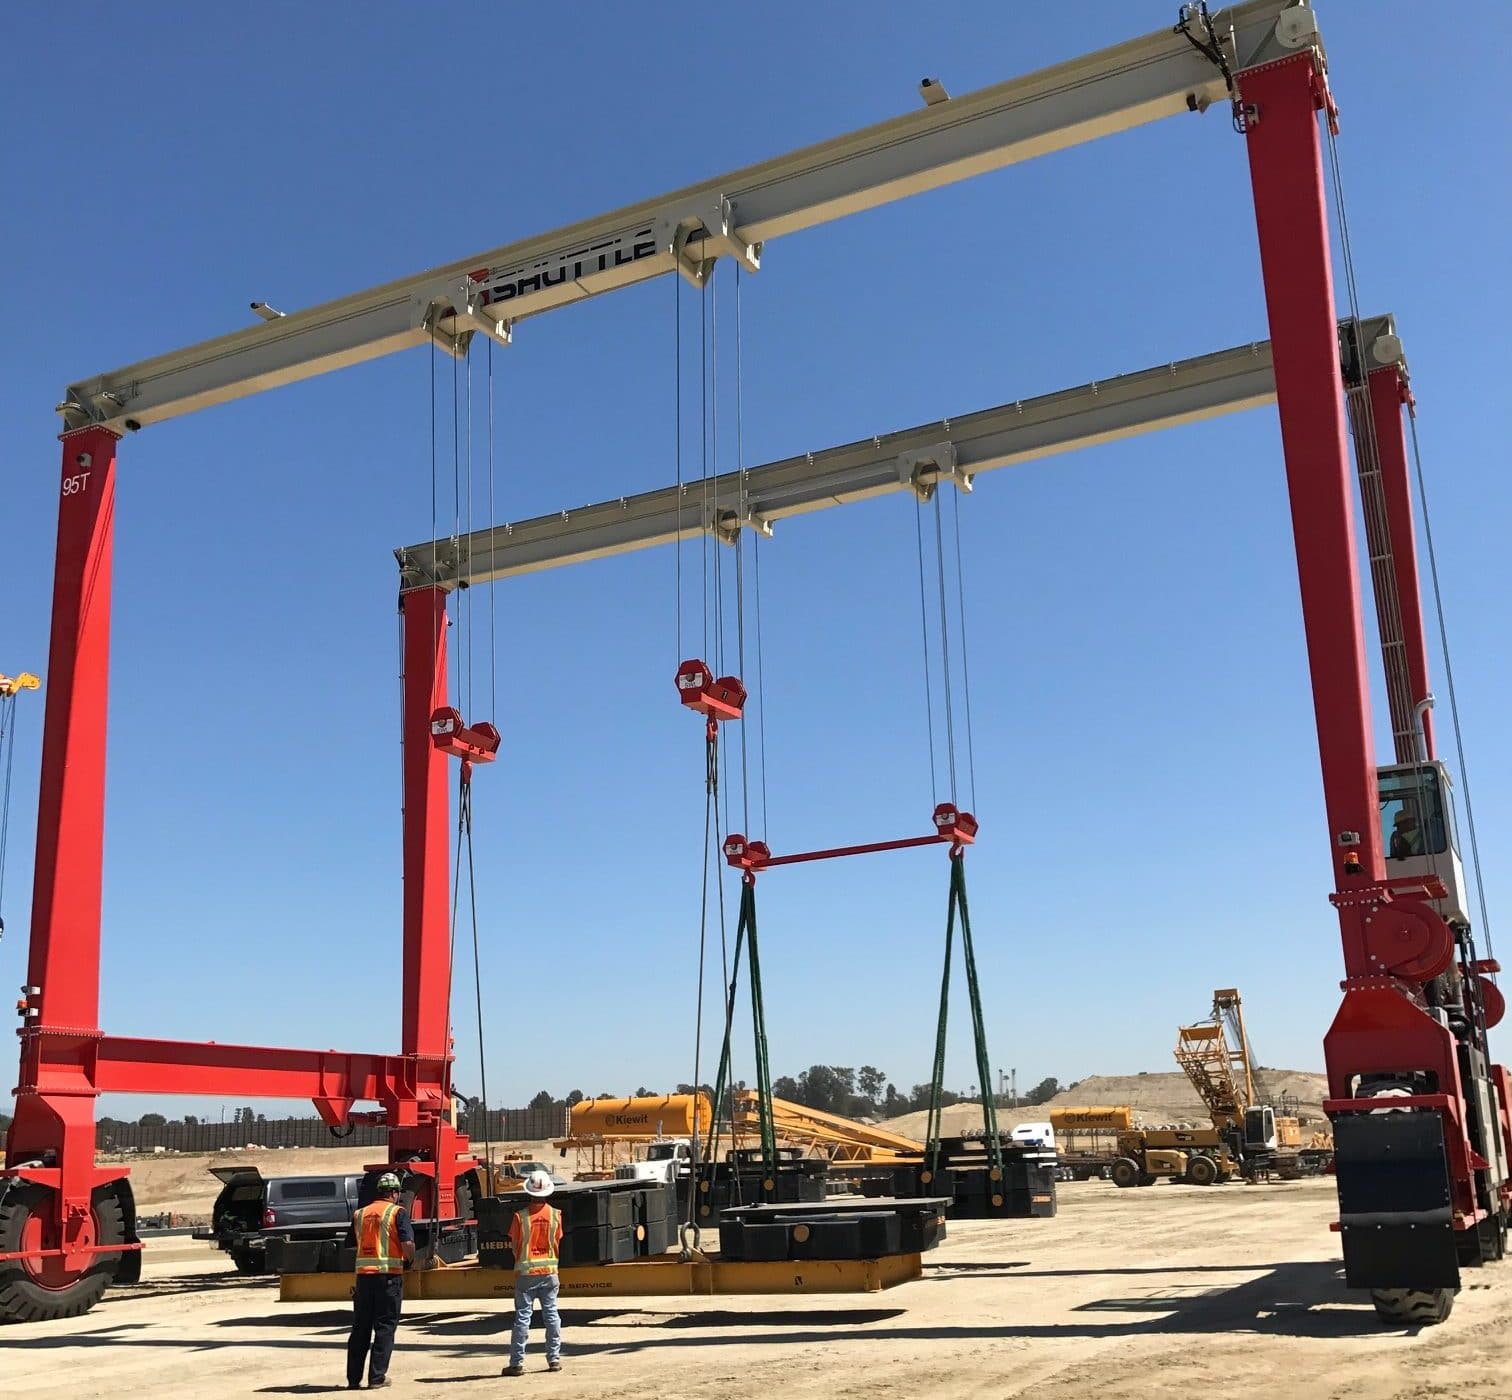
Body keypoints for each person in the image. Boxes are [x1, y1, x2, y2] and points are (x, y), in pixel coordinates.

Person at [346, 1172, 415, 1390]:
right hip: (389, 1278)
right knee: (385, 1327)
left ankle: (353, 1379)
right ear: (394, 1193)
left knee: (360, 1328)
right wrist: (410, 1259)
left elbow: (351, 1244)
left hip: (364, 1279)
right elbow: (408, 1244)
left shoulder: (360, 1213)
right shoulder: (397, 1212)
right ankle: (376, 1378)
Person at [503, 1169, 565, 1376]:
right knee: (552, 1315)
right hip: (549, 1272)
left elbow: (514, 1246)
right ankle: (554, 1359)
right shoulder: (556, 1215)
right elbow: (557, 1241)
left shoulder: (520, 1217)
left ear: (528, 1191)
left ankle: (516, 1363)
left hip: (526, 1275)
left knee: (522, 1317)